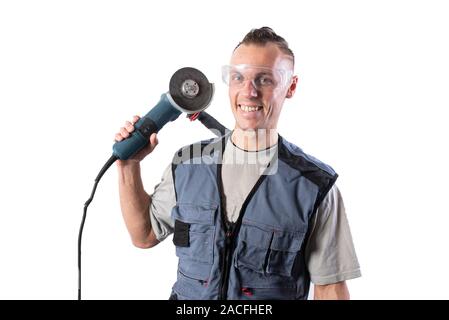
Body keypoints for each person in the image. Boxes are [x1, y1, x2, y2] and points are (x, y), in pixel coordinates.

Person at [115, 27, 361, 300]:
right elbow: (144, 234)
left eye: (264, 79)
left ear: (290, 87)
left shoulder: (314, 186)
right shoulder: (187, 165)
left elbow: (330, 289)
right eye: (238, 77)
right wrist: (128, 166)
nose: (249, 91)